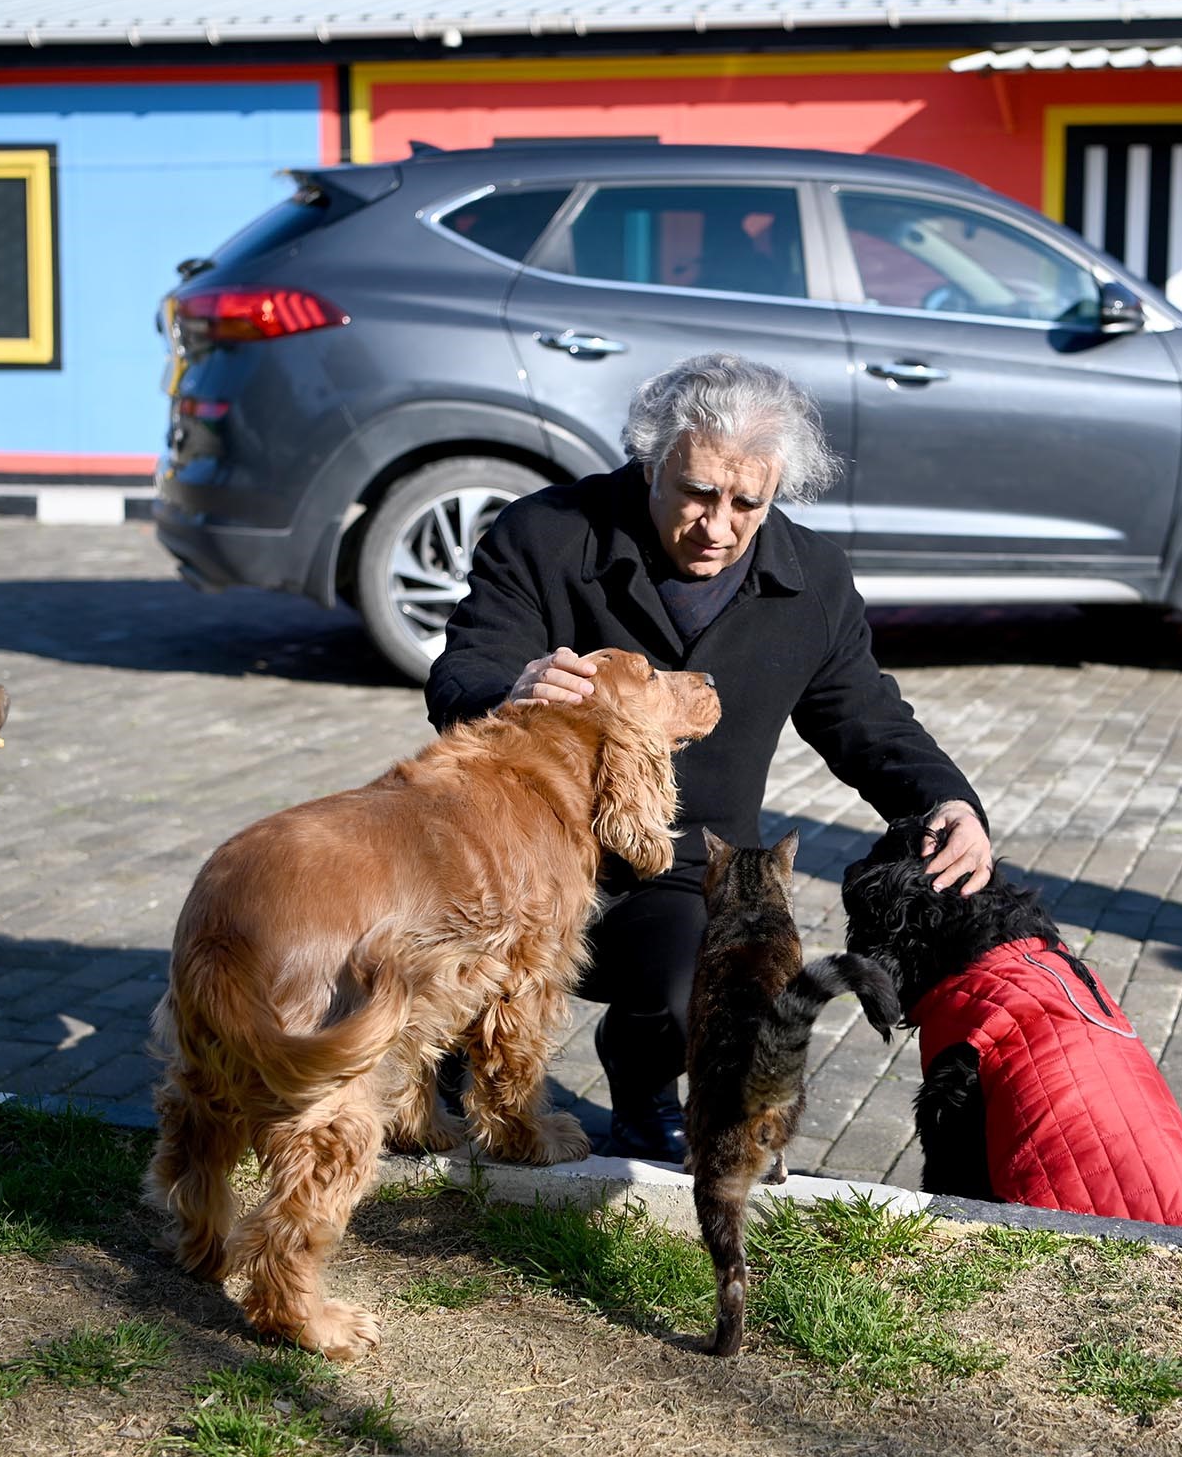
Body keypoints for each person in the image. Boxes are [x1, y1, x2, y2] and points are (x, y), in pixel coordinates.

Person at [425, 352, 993, 1161]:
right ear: (650, 461)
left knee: (713, 975)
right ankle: (447, 1047)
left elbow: (866, 718)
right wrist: (509, 684)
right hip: (522, 846)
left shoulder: (815, 581)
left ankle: (643, 1077)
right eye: (696, 492)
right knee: (445, 925)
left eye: (745, 502)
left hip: (681, 866)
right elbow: (462, 669)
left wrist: (946, 800)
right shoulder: (545, 533)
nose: (717, 526)